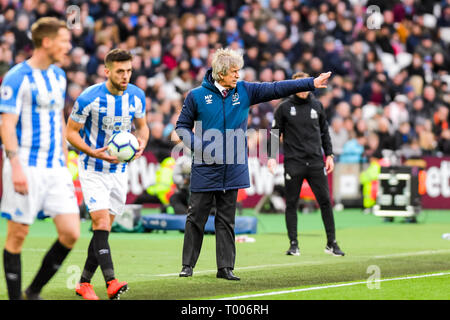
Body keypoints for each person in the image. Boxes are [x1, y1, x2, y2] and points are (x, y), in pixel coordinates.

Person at [176, 48, 331, 280]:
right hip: (205, 166)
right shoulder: (196, 96)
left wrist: (310, 83)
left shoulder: (245, 90)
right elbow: (181, 127)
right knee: (196, 217)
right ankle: (187, 265)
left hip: (234, 166)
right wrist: (199, 147)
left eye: (239, 70)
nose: (238, 75)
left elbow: (277, 87)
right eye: (234, 71)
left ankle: (225, 268)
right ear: (220, 73)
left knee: (227, 219)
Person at [0, 17, 80, 300]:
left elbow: (59, 117)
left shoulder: (58, 75)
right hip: (26, 164)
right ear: (47, 42)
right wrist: (15, 166)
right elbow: (6, 124)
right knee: (18, 235)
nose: (68, 46)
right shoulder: (17, 77)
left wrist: (65, 156)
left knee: (71, 232)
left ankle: (33, 291)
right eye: (64, 40)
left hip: (55, 167)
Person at [66, 48, 149, 300]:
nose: (125, 76)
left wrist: (141, 144)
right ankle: (111, 281)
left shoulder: (136, 96)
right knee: (100, 223)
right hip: (93, 168)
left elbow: (143, 128)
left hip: (119, 171)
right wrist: (93, 152)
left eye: (129, 71)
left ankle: (83, 283)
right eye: (120, 71)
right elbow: (70, 132)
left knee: (103, 231)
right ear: (107, 71)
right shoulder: (89, 97)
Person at [268, 72, 345, 257]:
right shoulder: (284, 107)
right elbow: (273, 133)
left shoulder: (317, 105)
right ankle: (293, 244)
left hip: (316, 162)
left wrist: (330, 155)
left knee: (325, 201)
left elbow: (325, 132)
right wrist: (271, 157)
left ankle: (331, 243)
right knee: (292, 203)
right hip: (294, 162)